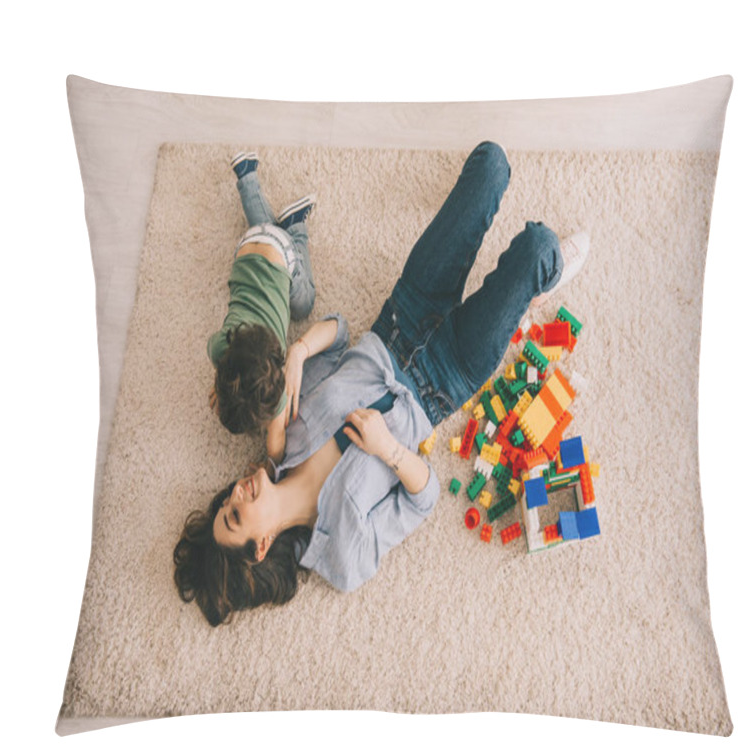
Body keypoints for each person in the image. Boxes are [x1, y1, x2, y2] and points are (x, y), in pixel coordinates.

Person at [175, 141, 590, 626]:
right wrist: (388, 449)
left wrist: (298, 352)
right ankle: (543, 280)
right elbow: (424, 497)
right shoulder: (342, 557)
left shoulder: (279, 434)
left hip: (402, 314)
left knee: (490, 164)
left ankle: (523, 284)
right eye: (236, 515)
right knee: (540, 249)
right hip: (449, 376)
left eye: (227, 501)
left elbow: (342, 332)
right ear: (262, 546)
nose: (237, 493)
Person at [208, 152, 317, 461]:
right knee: (268, 230)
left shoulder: (275, 385)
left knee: (305, 302)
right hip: (247, 248)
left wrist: (270, 467)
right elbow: (219, 357)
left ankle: (296, 230)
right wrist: (221, 384)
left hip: (283, 255)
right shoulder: (221, 349)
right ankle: (246, 176)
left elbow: (276, 442)